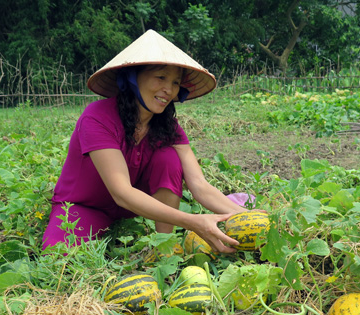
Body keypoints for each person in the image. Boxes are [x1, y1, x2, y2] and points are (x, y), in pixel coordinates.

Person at [42, 29, 247, 253]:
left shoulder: (169, 126)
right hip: (85, 206)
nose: (168, 90)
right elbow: (122, 192)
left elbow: (199, 185)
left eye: (176, 82)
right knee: (57, 256)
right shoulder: (97, 118)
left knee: (169, 157)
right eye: (161, 77)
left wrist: (247, 217)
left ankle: (164, 247)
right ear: (132, 77)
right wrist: (193, 221)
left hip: (132, 210)